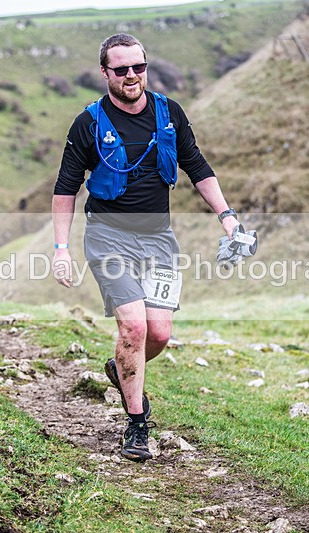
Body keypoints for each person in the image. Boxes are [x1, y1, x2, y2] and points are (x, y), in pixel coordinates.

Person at [51, 33, 240, 462]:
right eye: (121, 70)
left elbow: (197, 166)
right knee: (133, 328)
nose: (131, 76)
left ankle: (122, 369)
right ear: (105, 73)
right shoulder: (88, 123)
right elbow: (65, 187)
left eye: (138, 67)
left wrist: (227, 217)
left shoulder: (168, 112)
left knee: (159, 333)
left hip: (158, 238)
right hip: (108, 235)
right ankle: (137, 424)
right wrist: (61, 248)